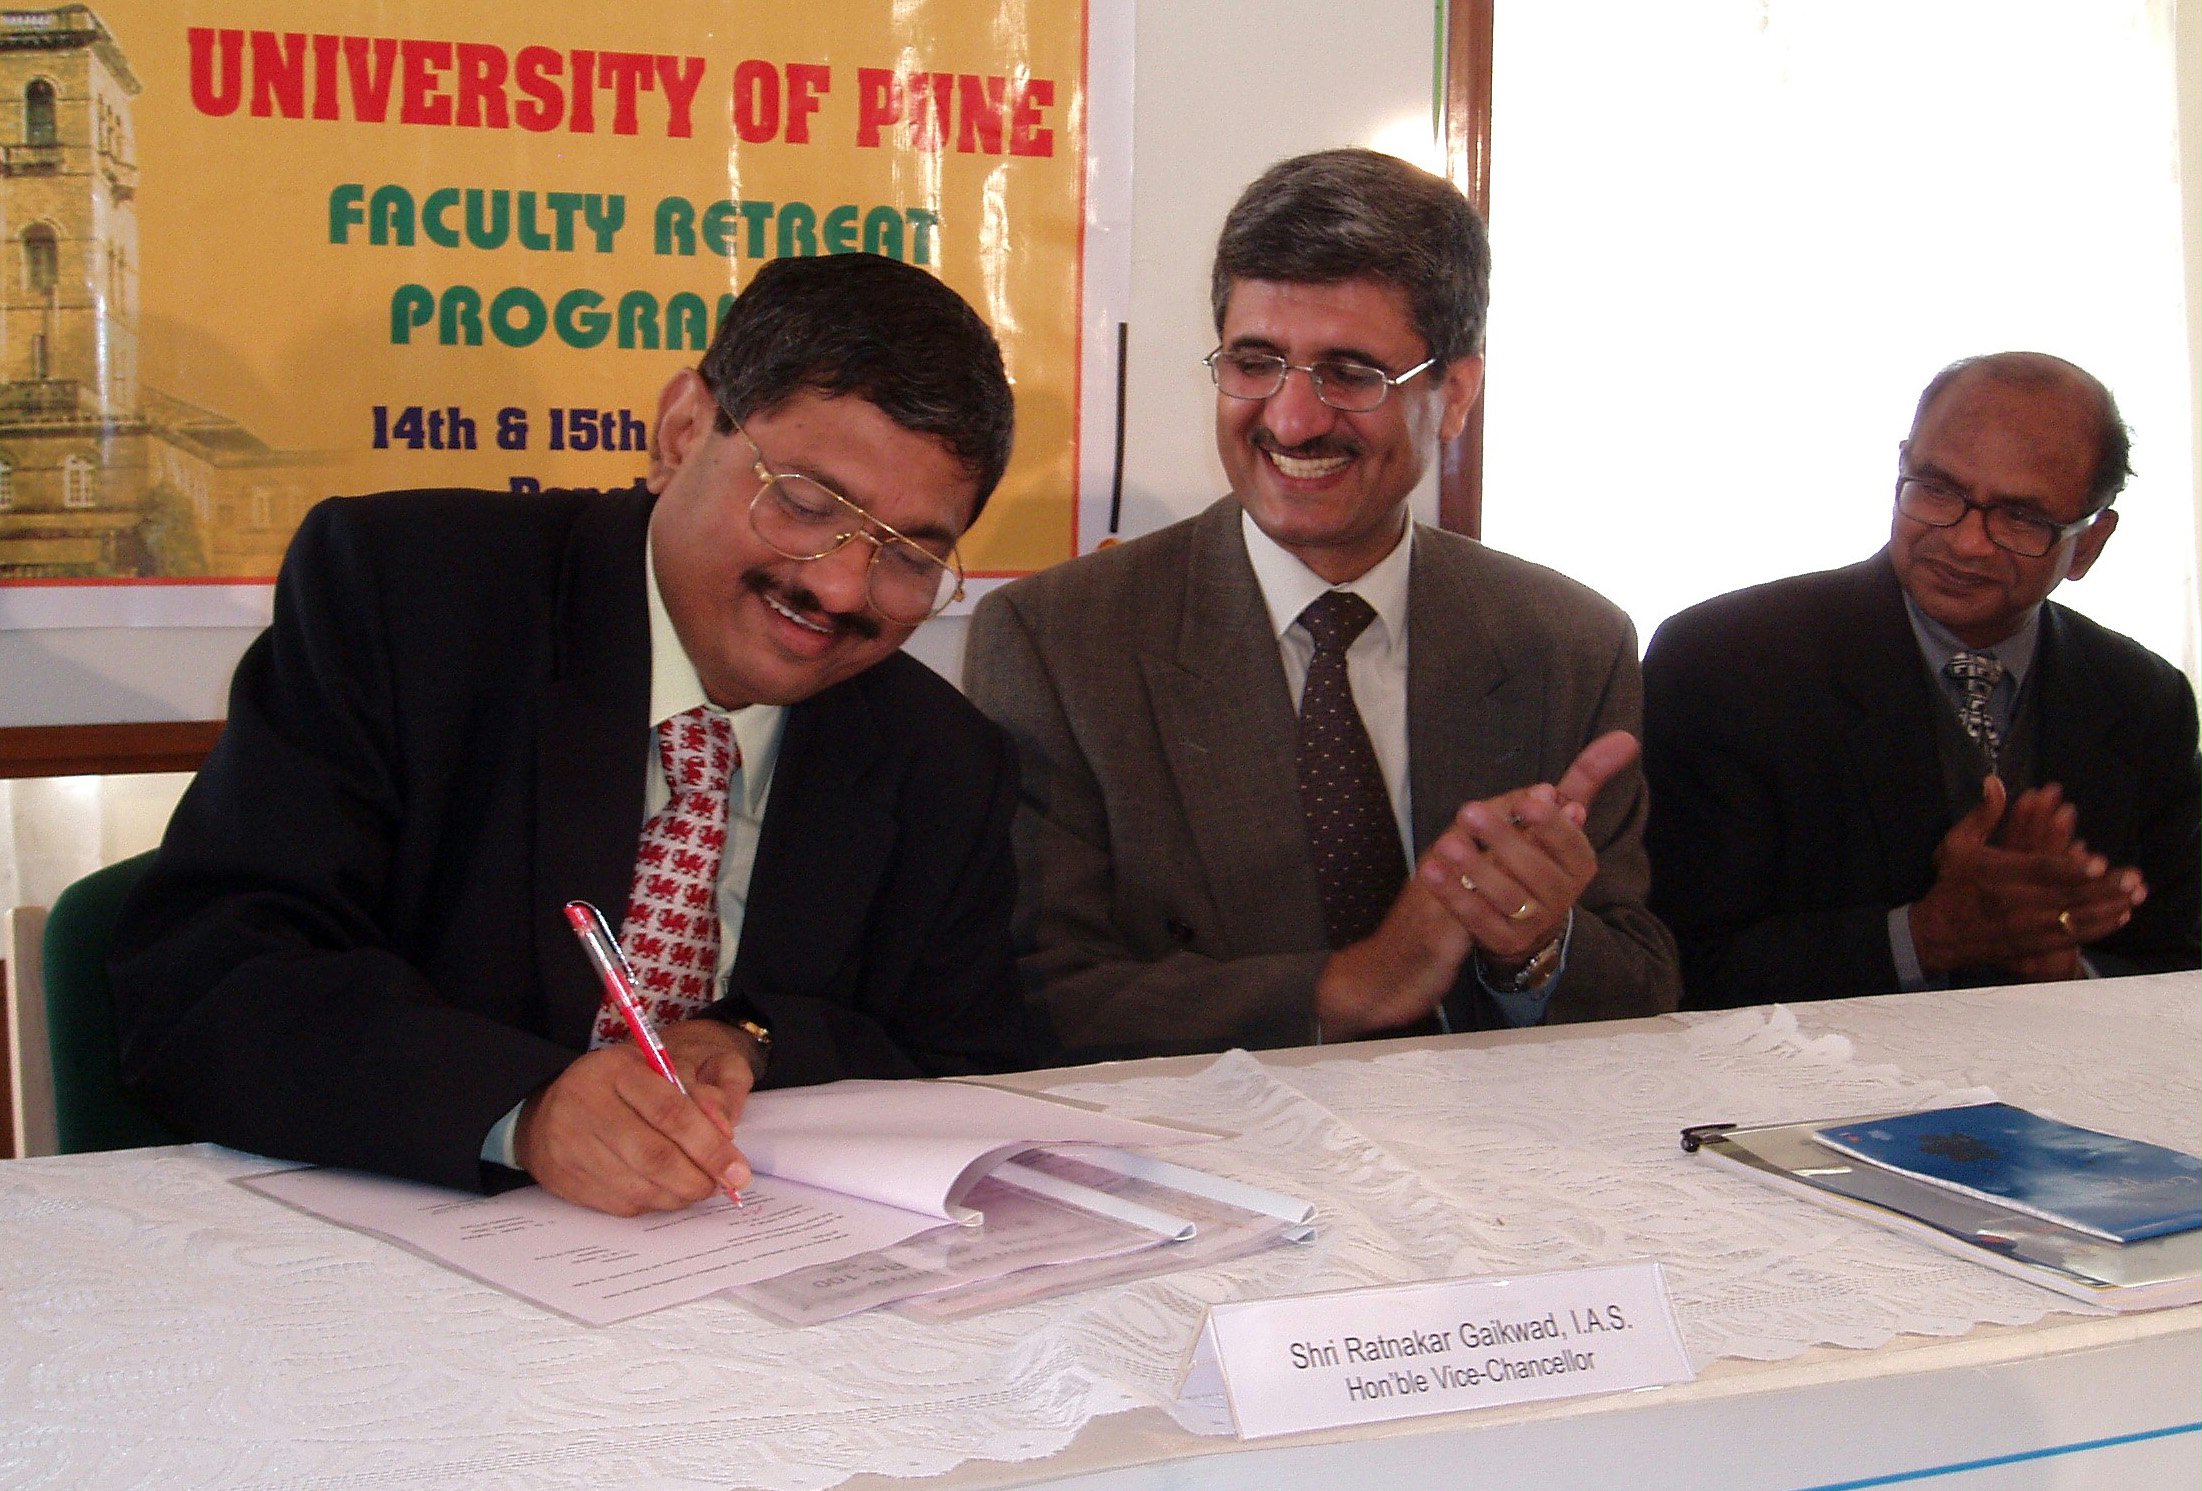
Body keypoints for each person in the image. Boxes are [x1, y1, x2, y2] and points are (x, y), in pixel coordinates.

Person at [112, 253, 1050, 1214]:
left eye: (907, 557)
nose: (842, 588)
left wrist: (750, 1038)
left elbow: (969, 1073)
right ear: (684, 431)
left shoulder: (943, 760)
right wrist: (521, 1108)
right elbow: (206, 981)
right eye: (807, 505)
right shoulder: (407, 598)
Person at [965, 148, 1680, 1061]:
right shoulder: (1059, 643)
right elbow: (1033, 1000)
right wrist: (1357, 984)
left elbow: (1645, 990)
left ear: (1454, 394)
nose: (1292, 419)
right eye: (1255, 361)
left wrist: (1534, 946)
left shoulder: (1571, 644)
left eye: (1350, 374)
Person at [1642, 351, 2202, 1008]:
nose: (1966, 542)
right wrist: (1922, 937)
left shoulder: (2143, 699)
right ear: (1901, 466)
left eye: (2021, 517)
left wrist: (2066, 974)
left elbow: (2181, 970)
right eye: (1937, 490)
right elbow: (1669, 966)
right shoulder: (1724, 661)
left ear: (2091, 542)